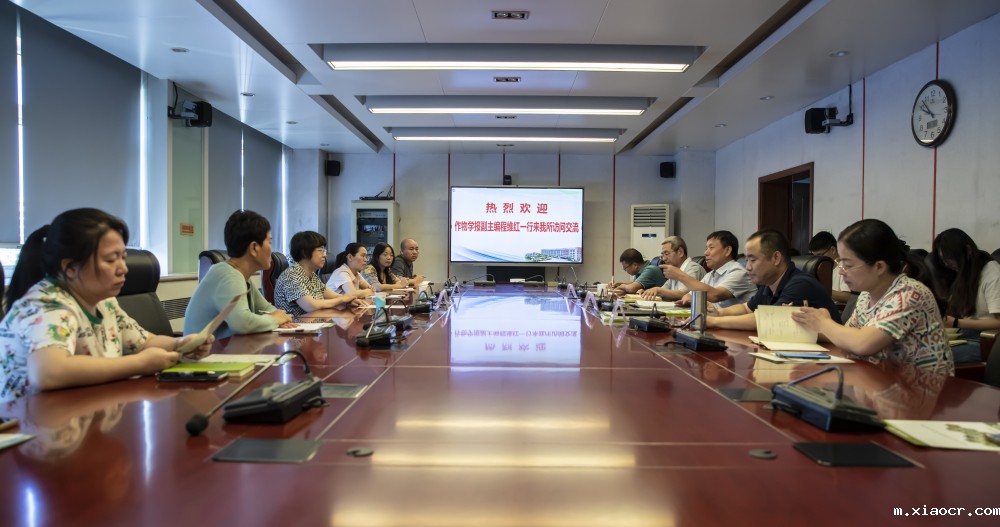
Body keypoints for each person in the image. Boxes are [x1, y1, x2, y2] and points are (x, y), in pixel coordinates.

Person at [0, 208, 212, 401]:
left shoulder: (104, 302)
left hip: (83, 412)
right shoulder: (47, 304)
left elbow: (144, 342)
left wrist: (181, 344)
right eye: (111, 260)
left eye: (123, 257)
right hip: (28, 424)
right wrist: (139, 364)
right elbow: (49, 372)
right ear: (70, 268)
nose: (124, 268)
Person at [791, 219, 953, 375]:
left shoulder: (909, 294)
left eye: (848, 265)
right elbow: (847, 336)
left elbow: (862, 344)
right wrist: (805, 321)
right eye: (841, 263)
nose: (840, 271)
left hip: (920, 387)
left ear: (879, 267)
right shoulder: (866, 296)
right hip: (880, 381)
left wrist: (824, 322)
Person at [184, 210, 294, 338]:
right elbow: (242, 324)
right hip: (204, 349)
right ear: (254, 248)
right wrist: (274, 320)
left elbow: (267, 309)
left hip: (226, 347)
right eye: (269, 242)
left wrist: (280, 318)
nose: (271, 249)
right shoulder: (228, 276)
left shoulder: (241, 276)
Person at [706, 229, 839, 330]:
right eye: (746, 260)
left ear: (776, 258)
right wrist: (719, 313)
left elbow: (768, 319)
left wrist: (714, 321)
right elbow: (746, 308)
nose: (748, 267)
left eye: (753, 260)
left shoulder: (800, 284)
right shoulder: (769, 283)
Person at [929, 228, 1000, 363]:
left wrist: (956, 322)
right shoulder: (963, 274)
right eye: (943, 260)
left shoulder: (993, 273)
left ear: (968, 251)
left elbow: (998, 322)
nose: (947, 264)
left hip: (988, 340)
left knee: (932, 356)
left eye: (949, 259)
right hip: (964, 335)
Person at [641, 231, 755, 309]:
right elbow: (689, 296)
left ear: (727, 250)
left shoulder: (739, 272)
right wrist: (687, 299)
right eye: (706, 248)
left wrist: (680, 275)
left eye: (711, 248)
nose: (706, 253)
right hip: (715, 323)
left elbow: (715, 295)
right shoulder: (711, 274)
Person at [273, 231, 368, 317]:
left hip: (313, 324)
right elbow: (311, 306)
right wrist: (342, 300)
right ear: (304, 253)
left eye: (324, 250)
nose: (324, 255)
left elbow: (332, 295)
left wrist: (349, 301)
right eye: (320, 250)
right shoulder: (292, 275)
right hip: (295, 327)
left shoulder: (312, 275)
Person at [809, 231, 852, 302]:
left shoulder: (844, 267)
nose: (817, 260)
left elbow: (848, 297)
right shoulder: (819, 268)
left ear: (833, 250)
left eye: (820, 255)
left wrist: (821, 290)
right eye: (814, 257)